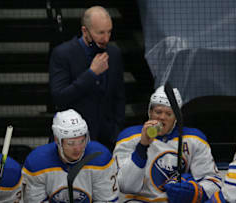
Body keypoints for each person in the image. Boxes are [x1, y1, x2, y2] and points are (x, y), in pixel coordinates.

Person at [113, 85, 221, 203]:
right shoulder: (129, 137)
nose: (162, 117)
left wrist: (194, 191)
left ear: (176, 117)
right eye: (158, 112)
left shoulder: (194, 139)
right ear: (150, 112)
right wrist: (142, 146)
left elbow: (213, 182)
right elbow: (125, 186)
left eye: (168, 114)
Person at [49, 5, 125, 151]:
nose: (106, 38)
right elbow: (59, 97)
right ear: (85, 31)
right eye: (100, 33)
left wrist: (116, 130)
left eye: (109, 32)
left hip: (107, 140)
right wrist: (91, 74)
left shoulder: (114, 54)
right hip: (72, 141)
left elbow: (119, 97)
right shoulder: (63, 54)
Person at [22, 109, 119, 202]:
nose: (78, 148)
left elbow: (107, 200)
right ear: (57, 140)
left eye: (81, 141)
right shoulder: (37, 163)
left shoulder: (100, 158)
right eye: (71, 143)